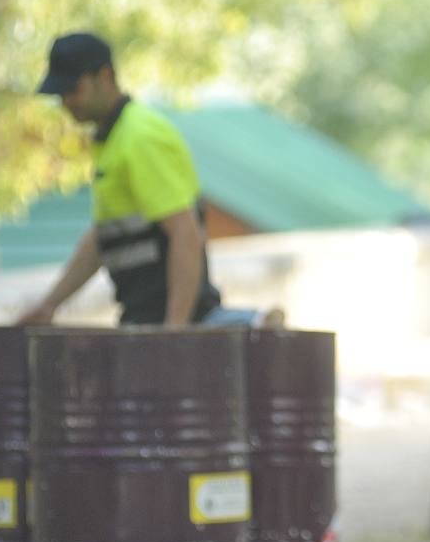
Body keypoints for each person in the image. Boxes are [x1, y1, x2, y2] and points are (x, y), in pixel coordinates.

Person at [18, 32, 258, 328]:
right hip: (142, 320)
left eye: (73, 89)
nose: (67, 102)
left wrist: (173, 333)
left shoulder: (141, 137)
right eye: (60, 94)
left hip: (174, 323)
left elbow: (185, 235)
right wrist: (49, 305)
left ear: (104, 77)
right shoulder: (111, 142)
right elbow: (103, 239)